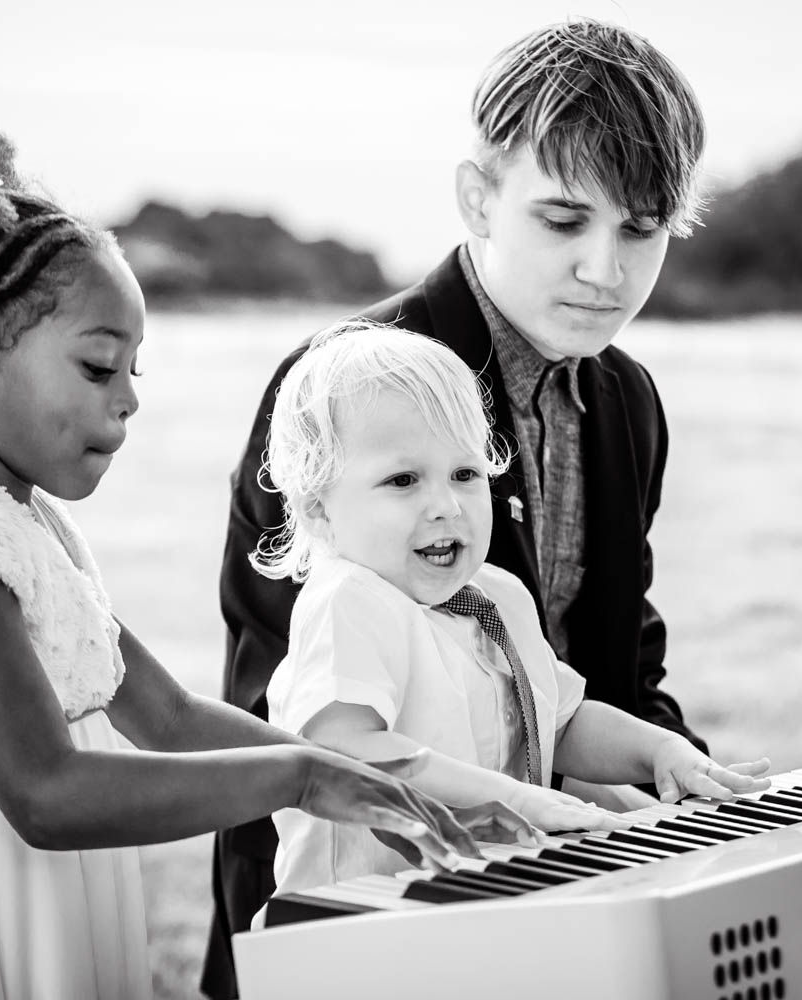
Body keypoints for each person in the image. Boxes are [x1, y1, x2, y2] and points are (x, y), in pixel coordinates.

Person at [0, 91, 499, 1000]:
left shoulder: (22, 519)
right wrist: (295, 778)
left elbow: (164, 717)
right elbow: (46, 795)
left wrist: (350, 767)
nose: (128, 399)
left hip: (36, 882)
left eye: (134, 369)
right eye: (95, 366)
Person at [203, 18, 714, 997]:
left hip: (561, 908)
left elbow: (619, 665)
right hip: (356, 929)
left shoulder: (630, 401)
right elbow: (281, 728)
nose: (605, 271)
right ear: (479, 196)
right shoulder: (335, 387)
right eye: (565, 221)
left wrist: (701, 790)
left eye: (641, 230)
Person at [254, 323, 771, 904]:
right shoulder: (349, 600)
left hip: (488, 899)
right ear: (318, 509)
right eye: (403, 480)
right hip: (357, 920)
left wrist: (659, 751)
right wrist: (517, 798)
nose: (446, 507)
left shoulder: (497, 595)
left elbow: (562, 721)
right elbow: (349, 751)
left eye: (466, 474)